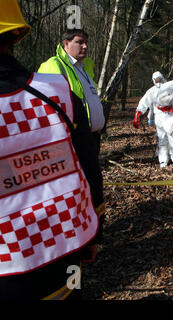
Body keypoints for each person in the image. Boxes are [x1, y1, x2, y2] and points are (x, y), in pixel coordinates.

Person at [0, 0, 101, 299]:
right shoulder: (54, 85)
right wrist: (95, 229)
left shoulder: (70, 79)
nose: (84, 47)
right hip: (66, 243)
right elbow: (88, 167)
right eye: (79, 42)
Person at [38, 29, 105, 221]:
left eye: (86, 42)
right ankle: (77, 226)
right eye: (79, 42)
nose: (84, 46)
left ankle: (90, 223)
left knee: (91, 185)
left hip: (91, 138)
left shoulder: (84, 67)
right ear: (66, 44)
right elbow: (46, 106)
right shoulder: (53, 66)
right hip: (72, 141)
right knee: (76, 187)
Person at [133, 71, 169, 167]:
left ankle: (171, 156)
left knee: (171, 137)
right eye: (156, 80)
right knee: (162, 138)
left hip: (172, 116)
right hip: (159, 117)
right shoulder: (152, 91)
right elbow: (144, 102)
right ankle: (163, 159)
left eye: (160, 79)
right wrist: (138, 113)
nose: (158, 82)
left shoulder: (171, 88)